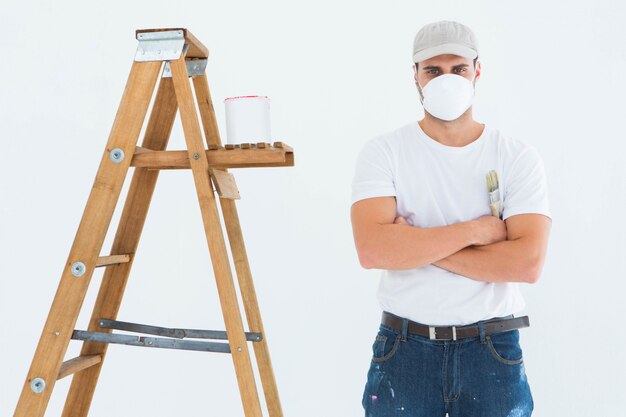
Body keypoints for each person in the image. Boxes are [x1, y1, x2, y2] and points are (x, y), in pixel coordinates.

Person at [350, 20, 552, 417]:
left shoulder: (516, 157)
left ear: (478, 71)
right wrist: (476, 231)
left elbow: (526, 264)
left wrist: (414, 245)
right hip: (404, 348)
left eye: (458, 68)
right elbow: (373, 249)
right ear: (415, 77)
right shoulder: (384, 152)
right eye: (433, 70)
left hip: (492, 349)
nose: (447, 80)